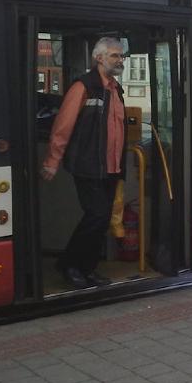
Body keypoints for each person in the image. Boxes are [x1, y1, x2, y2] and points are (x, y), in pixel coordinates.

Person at [41, 37, 126, 289]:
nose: (119, 60)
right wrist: (52, 161)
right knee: (96, 216)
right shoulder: (83, 87)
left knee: (101, 220)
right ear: (98, 58)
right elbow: (62, 126)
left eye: (121, 56)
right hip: (88, 164)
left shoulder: (115, 88)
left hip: (111, 167)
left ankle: (87, 269)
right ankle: (69, 264)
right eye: (114, 56)